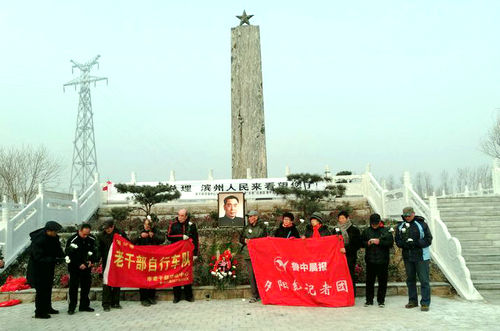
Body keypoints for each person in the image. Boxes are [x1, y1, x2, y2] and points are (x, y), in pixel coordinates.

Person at [395, 206, 433, 312]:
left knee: (424, 280)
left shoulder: (422, 224)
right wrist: (404, 244)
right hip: (408, 257)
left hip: (421, 257)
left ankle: (425, 303)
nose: (407, 217)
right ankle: (412, 301)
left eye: (409, 215)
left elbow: (429, 239)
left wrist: (416, 243)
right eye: (405, 216)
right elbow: (397, 240)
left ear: (413, 214)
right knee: (410, 280)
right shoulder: (400, 226)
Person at [26, 221, 64, 319]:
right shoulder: (39, 240)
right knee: (41, 291)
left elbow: (57, 249)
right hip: (38, 269)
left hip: (48, 268)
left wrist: (62, 257)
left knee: (48, 288)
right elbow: (38, 257)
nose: (56, 233)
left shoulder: (54, 237)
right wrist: (53, 259)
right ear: (48, 231)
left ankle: (48, 307)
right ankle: (39, 312)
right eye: (55, 231)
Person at [361, 213, 394, 308]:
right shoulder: (366, 231)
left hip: (383, 260)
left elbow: (390, 243)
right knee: (369, 281)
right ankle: (369, 300)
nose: (374, 225)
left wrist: (380, 242)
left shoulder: (386, 231)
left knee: (382, 281)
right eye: (372, 223)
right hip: (370, 260)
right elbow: (361, 243)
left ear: (379, 222)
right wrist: (367, 243)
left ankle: (381, 300)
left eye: (376, 223)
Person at [167, 209, 199, 303]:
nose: (180, 217)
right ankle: (177, 296)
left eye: (182, 216)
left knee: (186, 273)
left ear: (186, 216)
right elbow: (168, 236)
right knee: (176, 273)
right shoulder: (173, 224)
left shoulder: (191, 225)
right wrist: (181, 237)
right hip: (176, 253)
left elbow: (196, 239)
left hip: (187, 253)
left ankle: (189, 296)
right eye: (179, 215)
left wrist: (195, 253)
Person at [65, 223, 98, 315]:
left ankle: (84, 305)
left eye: (87, 234)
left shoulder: (91, 239)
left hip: (87, 267)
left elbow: (95, 251)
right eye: (84, 234)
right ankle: (72, 307)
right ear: (79, 231)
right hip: (75, 267)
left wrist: (91, 261)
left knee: (86, 287)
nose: (85, 236)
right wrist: (78, 264)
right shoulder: (72, 240)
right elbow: (69, 254)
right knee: (74, 287)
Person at [96, 220, 128, 312]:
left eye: (109, 228)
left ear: (113, 226)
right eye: (105, 229)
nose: (107, 230)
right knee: (107, 282)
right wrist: (98, 258)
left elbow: (127, 243)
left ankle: (116, 302)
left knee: (117, 281)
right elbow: (99, 249)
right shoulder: (101, 235)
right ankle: (106, 304)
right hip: (107, 261)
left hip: (118, 261)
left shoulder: (120, 233)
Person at [132, 215, 164, 306]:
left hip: (153, 259)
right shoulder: (139, 230)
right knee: (142, 279)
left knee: (152, 278)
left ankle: (151, 297)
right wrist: (139, 236)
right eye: (146, 225)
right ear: (143, 224)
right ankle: (144, 298)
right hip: (142, 259)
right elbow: (131, 240)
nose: (147, 227)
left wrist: (153, 236)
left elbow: (162, 239)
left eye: (149, 225)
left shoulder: (155, 231)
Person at [239, 210, 267, 303]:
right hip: (248, 254)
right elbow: (241, 239)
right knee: (251, 276)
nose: (250, 218)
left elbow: (265, 239)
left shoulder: (262, 227)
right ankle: (254, 295)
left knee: (261, 274)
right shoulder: (246, 227)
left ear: (256, 217)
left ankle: (263, 294)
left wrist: (254, 241)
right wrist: (245, 240)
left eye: (251, 217)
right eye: (249, 217)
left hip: (259, 254)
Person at [337, 211, 362, 295]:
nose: (341, 220)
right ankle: (341, 294)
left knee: (350, 275)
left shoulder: (354, 229)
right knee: (339, 275)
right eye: (339, 218)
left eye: (343, 218)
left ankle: (351, 294)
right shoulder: (336, 229)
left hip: (350, 256)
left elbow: (357, 244)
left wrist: (346, 249)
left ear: (347, 218)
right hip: (338, 256)